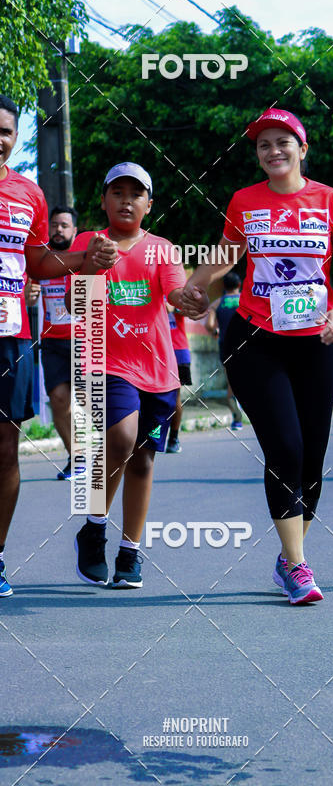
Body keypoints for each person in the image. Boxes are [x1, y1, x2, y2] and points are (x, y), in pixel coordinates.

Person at [181, 108, 333, 605]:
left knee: (312, 459)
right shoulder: (245, 201)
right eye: (263, 144)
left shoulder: (331, 201)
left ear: (302, 149)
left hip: (317, 340)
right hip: (254, 340)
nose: (273, 150)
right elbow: (225, 257)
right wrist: (191, 288)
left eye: (282, 141)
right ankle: (300, 566)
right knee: (285, 447)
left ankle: (288, 559)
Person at [0, 94, 116, 598]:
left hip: (11, 335)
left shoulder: (30, 194)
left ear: (16, 136)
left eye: (6, 130)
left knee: (5, 451)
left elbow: (40, 263)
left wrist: (84, 260)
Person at [66, 162, 188, 588]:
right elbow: (75, 301)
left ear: (148, 205)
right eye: (117, 192)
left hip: (156, 368)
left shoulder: (162, 249)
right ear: (104, 200)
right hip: (107, 364)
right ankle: (95, 527)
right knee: (119, 439)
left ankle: (130, 552)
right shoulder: (88, 242)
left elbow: (174, 292)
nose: (126, 200)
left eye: (135, 194)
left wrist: (189, 298)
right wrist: (91, 265)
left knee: (143, 461)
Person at [36, 206, 79, 478]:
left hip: (84, 340)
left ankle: (111, 449)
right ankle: (77, 457)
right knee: (58, 399)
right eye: (54, 225)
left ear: (75, 230)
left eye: (64, 225)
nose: (58, 230)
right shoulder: (40, 262)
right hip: (51, 341)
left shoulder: (84, 260)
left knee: (91, 400)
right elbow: (26, 290)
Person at [205, 271, 244, 430]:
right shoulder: (245, 301)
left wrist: (215, 332)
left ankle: (237, 420)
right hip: (247, 346)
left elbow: (209, 325)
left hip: (226, 347)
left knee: (232, 383)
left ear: (224, 286)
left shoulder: (217, 303)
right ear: (239, 285)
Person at [166, 299, 193, 453]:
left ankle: (174, 438)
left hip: (177, 350)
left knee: (174, 397)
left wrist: (173, 307)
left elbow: (189, 310)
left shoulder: (175, 292)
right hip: (153, 350)